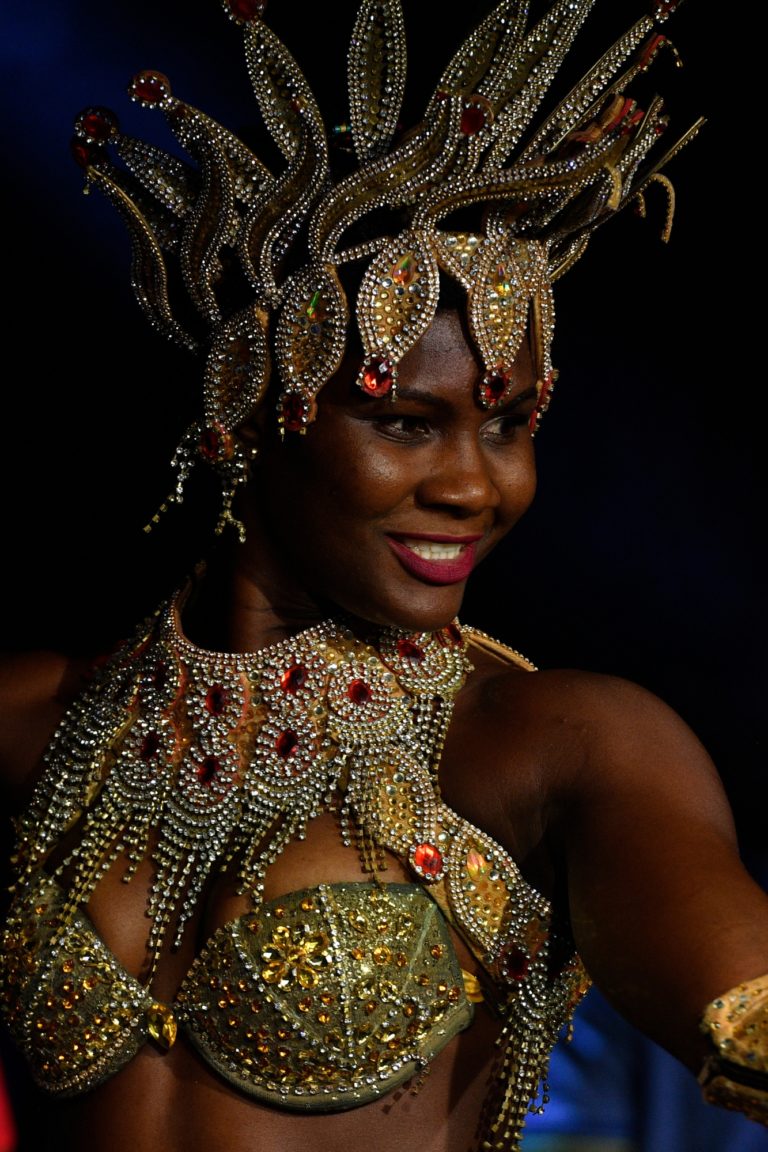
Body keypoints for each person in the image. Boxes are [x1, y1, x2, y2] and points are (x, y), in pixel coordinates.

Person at [0, 2, 765, 1151]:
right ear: (249, 420)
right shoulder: (32, 723)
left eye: (507, 427)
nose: (478, 486)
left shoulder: (555, 747)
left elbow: (741, 1009)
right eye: (409, 424)